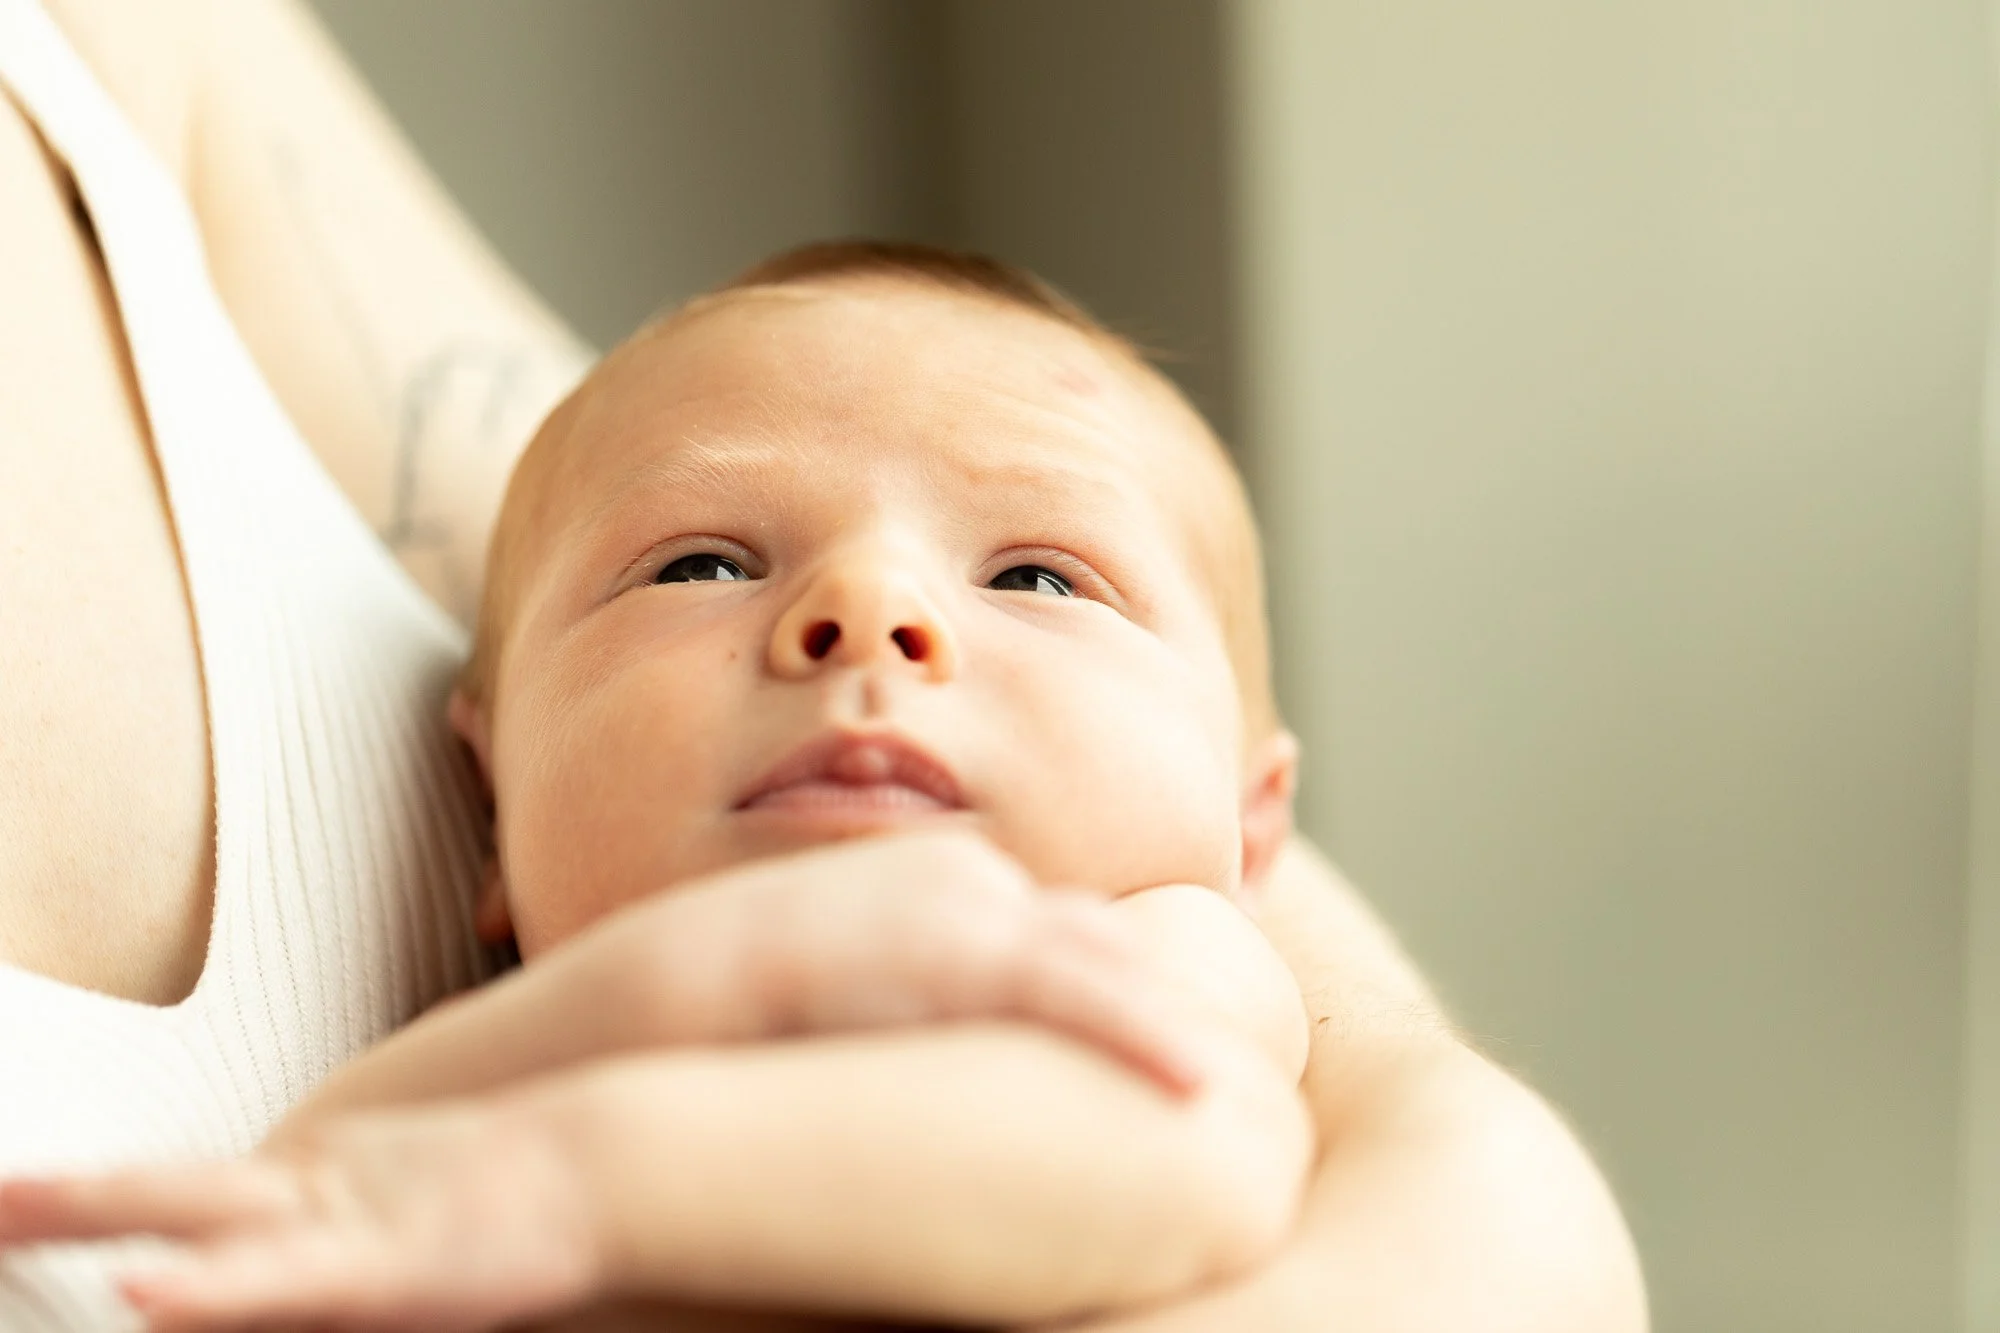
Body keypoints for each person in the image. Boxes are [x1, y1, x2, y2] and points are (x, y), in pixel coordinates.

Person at [0, 0, 1646, 1330]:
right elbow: (334, 1178)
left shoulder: (1152, 961)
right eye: (703, 562)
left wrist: (564, 1180)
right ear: (487, 814)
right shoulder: (513, 1025)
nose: (861, 615)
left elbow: (1179, 1158)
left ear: (1252, 822)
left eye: (1037, 574)